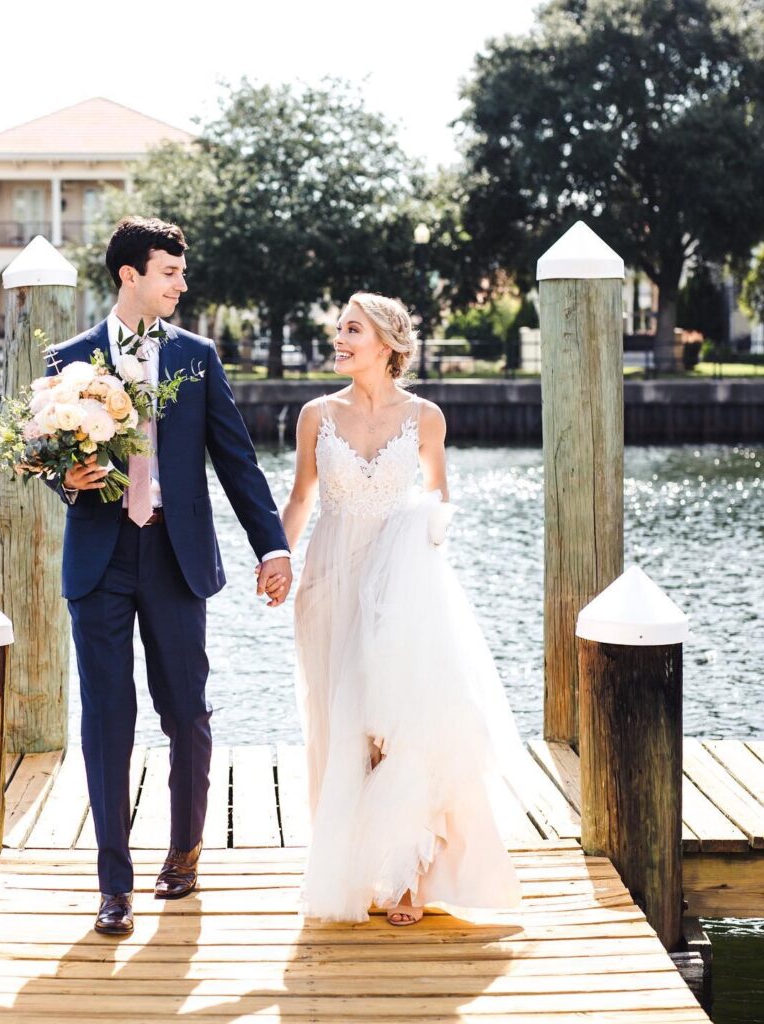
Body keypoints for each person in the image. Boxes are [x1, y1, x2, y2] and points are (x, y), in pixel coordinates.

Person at [44, 216, 292, 936]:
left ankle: (184, 852)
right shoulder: (70, 360)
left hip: (178, 556)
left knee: (186, 711)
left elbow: (237, 461)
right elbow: (46, 460)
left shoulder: (197, 355)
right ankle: (113, 886)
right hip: (100, 558)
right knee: (107, 721)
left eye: (182, 273)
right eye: (170, 272)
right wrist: (69, 476)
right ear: (131, 275)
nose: (182, 284)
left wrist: (271, 547)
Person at [267, 292, 527, 925]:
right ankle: (347, 868)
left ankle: (405, 878)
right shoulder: (316, 415)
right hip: (328, 580)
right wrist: (277, 557)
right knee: (338, 725)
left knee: (395, 728)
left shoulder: (426, 417)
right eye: (339, 329)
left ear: (385, 342)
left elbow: (440, 502)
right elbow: (301, 500)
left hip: (399, 585)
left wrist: (422, 556)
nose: (339, 339)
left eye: (351, 329)